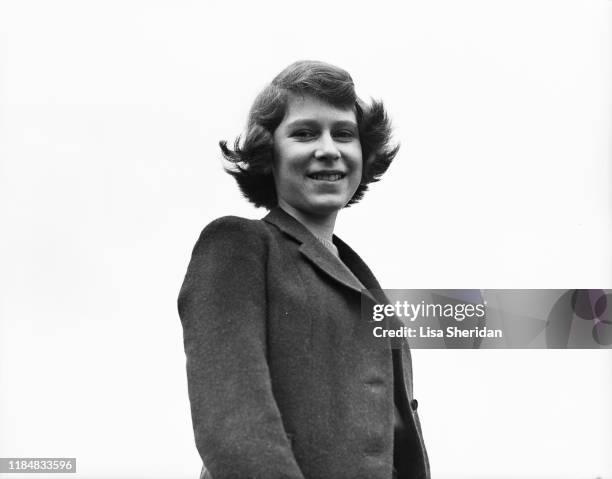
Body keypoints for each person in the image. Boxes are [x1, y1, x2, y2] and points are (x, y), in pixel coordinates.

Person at [178, 60, 429, 479]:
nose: (329, 149)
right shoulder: (238, 245)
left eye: (344, 134)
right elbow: (234, 425)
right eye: (305, 132)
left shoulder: (365, 284)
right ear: (268, 153)